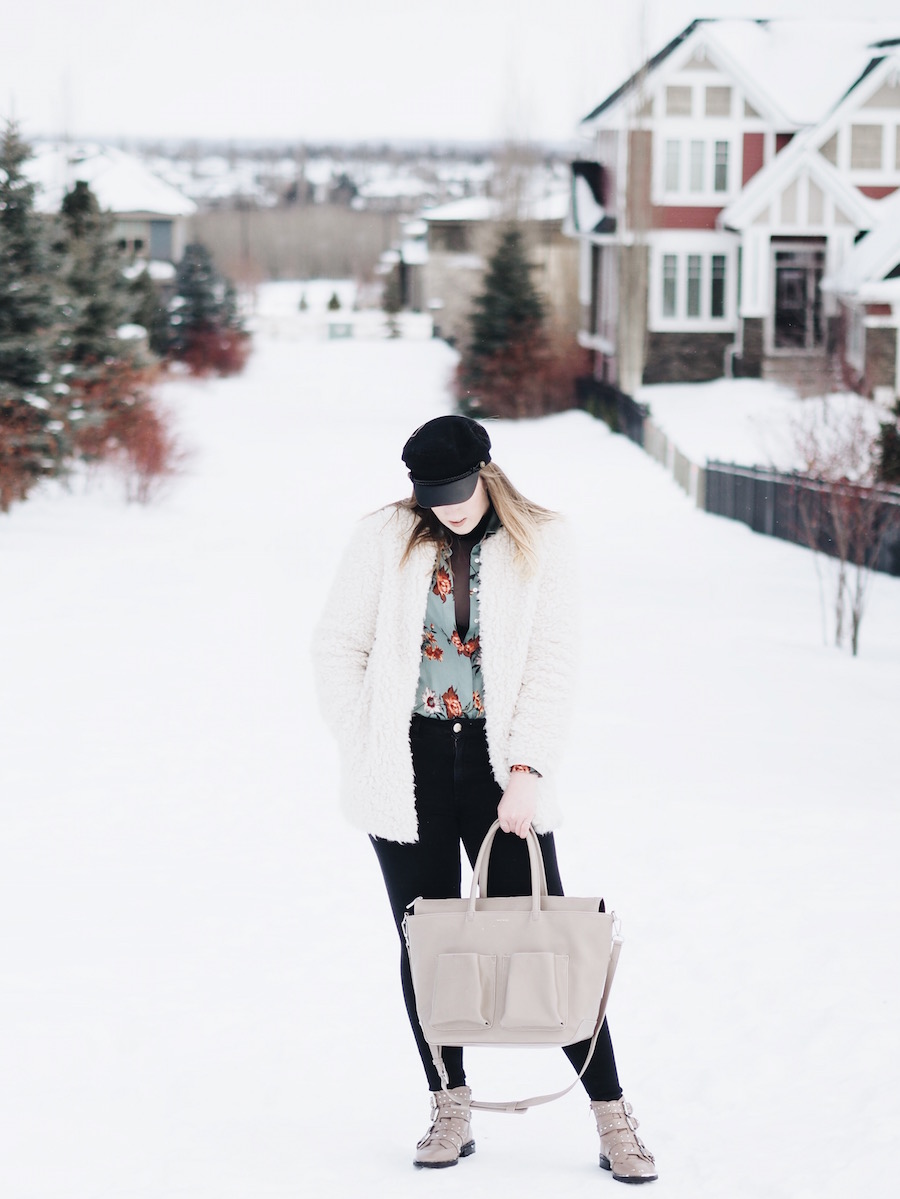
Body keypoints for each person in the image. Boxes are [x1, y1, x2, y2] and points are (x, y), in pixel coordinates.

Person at [312, 414, 657, 1182]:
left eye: (457, 494)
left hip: (503, 765)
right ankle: (449, 1104)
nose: (447, 509)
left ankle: (612, 1115)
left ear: (486, 472)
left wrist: (528, 770)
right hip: (407, 761)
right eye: (431, 498)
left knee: (550, 940)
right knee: (426, 941)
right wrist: (365, 734)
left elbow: (553, 660)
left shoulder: (542, 539)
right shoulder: (383, 537)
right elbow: (337, 644)